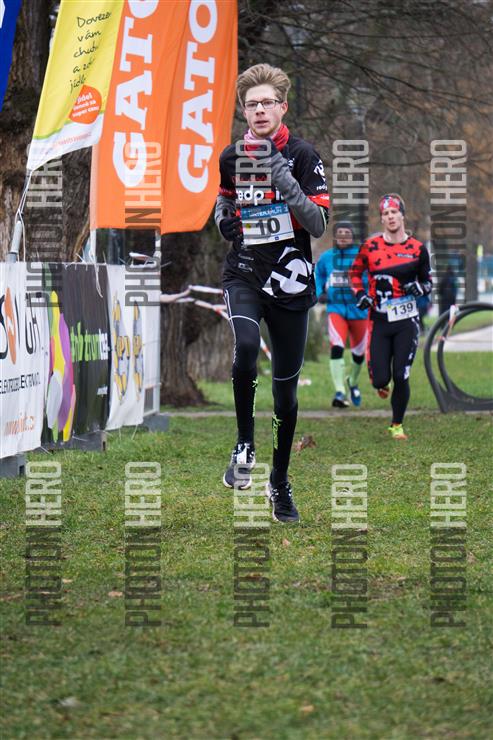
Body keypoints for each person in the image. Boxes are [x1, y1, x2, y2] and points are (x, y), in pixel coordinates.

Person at [215, 63, 330, 522]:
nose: (260, 110)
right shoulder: (231, 156)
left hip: (290, 281)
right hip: (244, 273)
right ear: (244, 112)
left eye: (267, 103)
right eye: (251, 104)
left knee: (286, 394)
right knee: (245, 346)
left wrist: (283, 178)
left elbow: (317, 223)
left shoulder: (303, 155)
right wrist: (223, 219)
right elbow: (225, 196)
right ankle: (244, 445)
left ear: (282, 108)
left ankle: (279, 481)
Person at [349, 194, 432, 440]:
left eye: (394, 212)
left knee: (401, 375)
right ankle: (381, 384)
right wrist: (360, 294)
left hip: (407, 321)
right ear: (382, 219)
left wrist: (420, 288)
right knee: (380, 379)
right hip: (379, 320)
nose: (390, 217)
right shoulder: (370, 247)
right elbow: (354, 274)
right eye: (385, 214)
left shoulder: (417, 249)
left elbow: (428, 281)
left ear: (402, 215)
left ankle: (397, 425)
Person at [315, 221, 368, 408]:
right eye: (340, 233)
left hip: (359, 310)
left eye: (347, 233)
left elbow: (370, 277)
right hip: (336, 308)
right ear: (335, 236)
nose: (343, 236)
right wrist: (319, 292)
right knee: (336, 346)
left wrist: (366, 293)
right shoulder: (327, 257)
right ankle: (340, 392)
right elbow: (318, 275)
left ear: (353, 236)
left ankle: (352, 381)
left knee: (359, 354)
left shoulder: (361, 256)